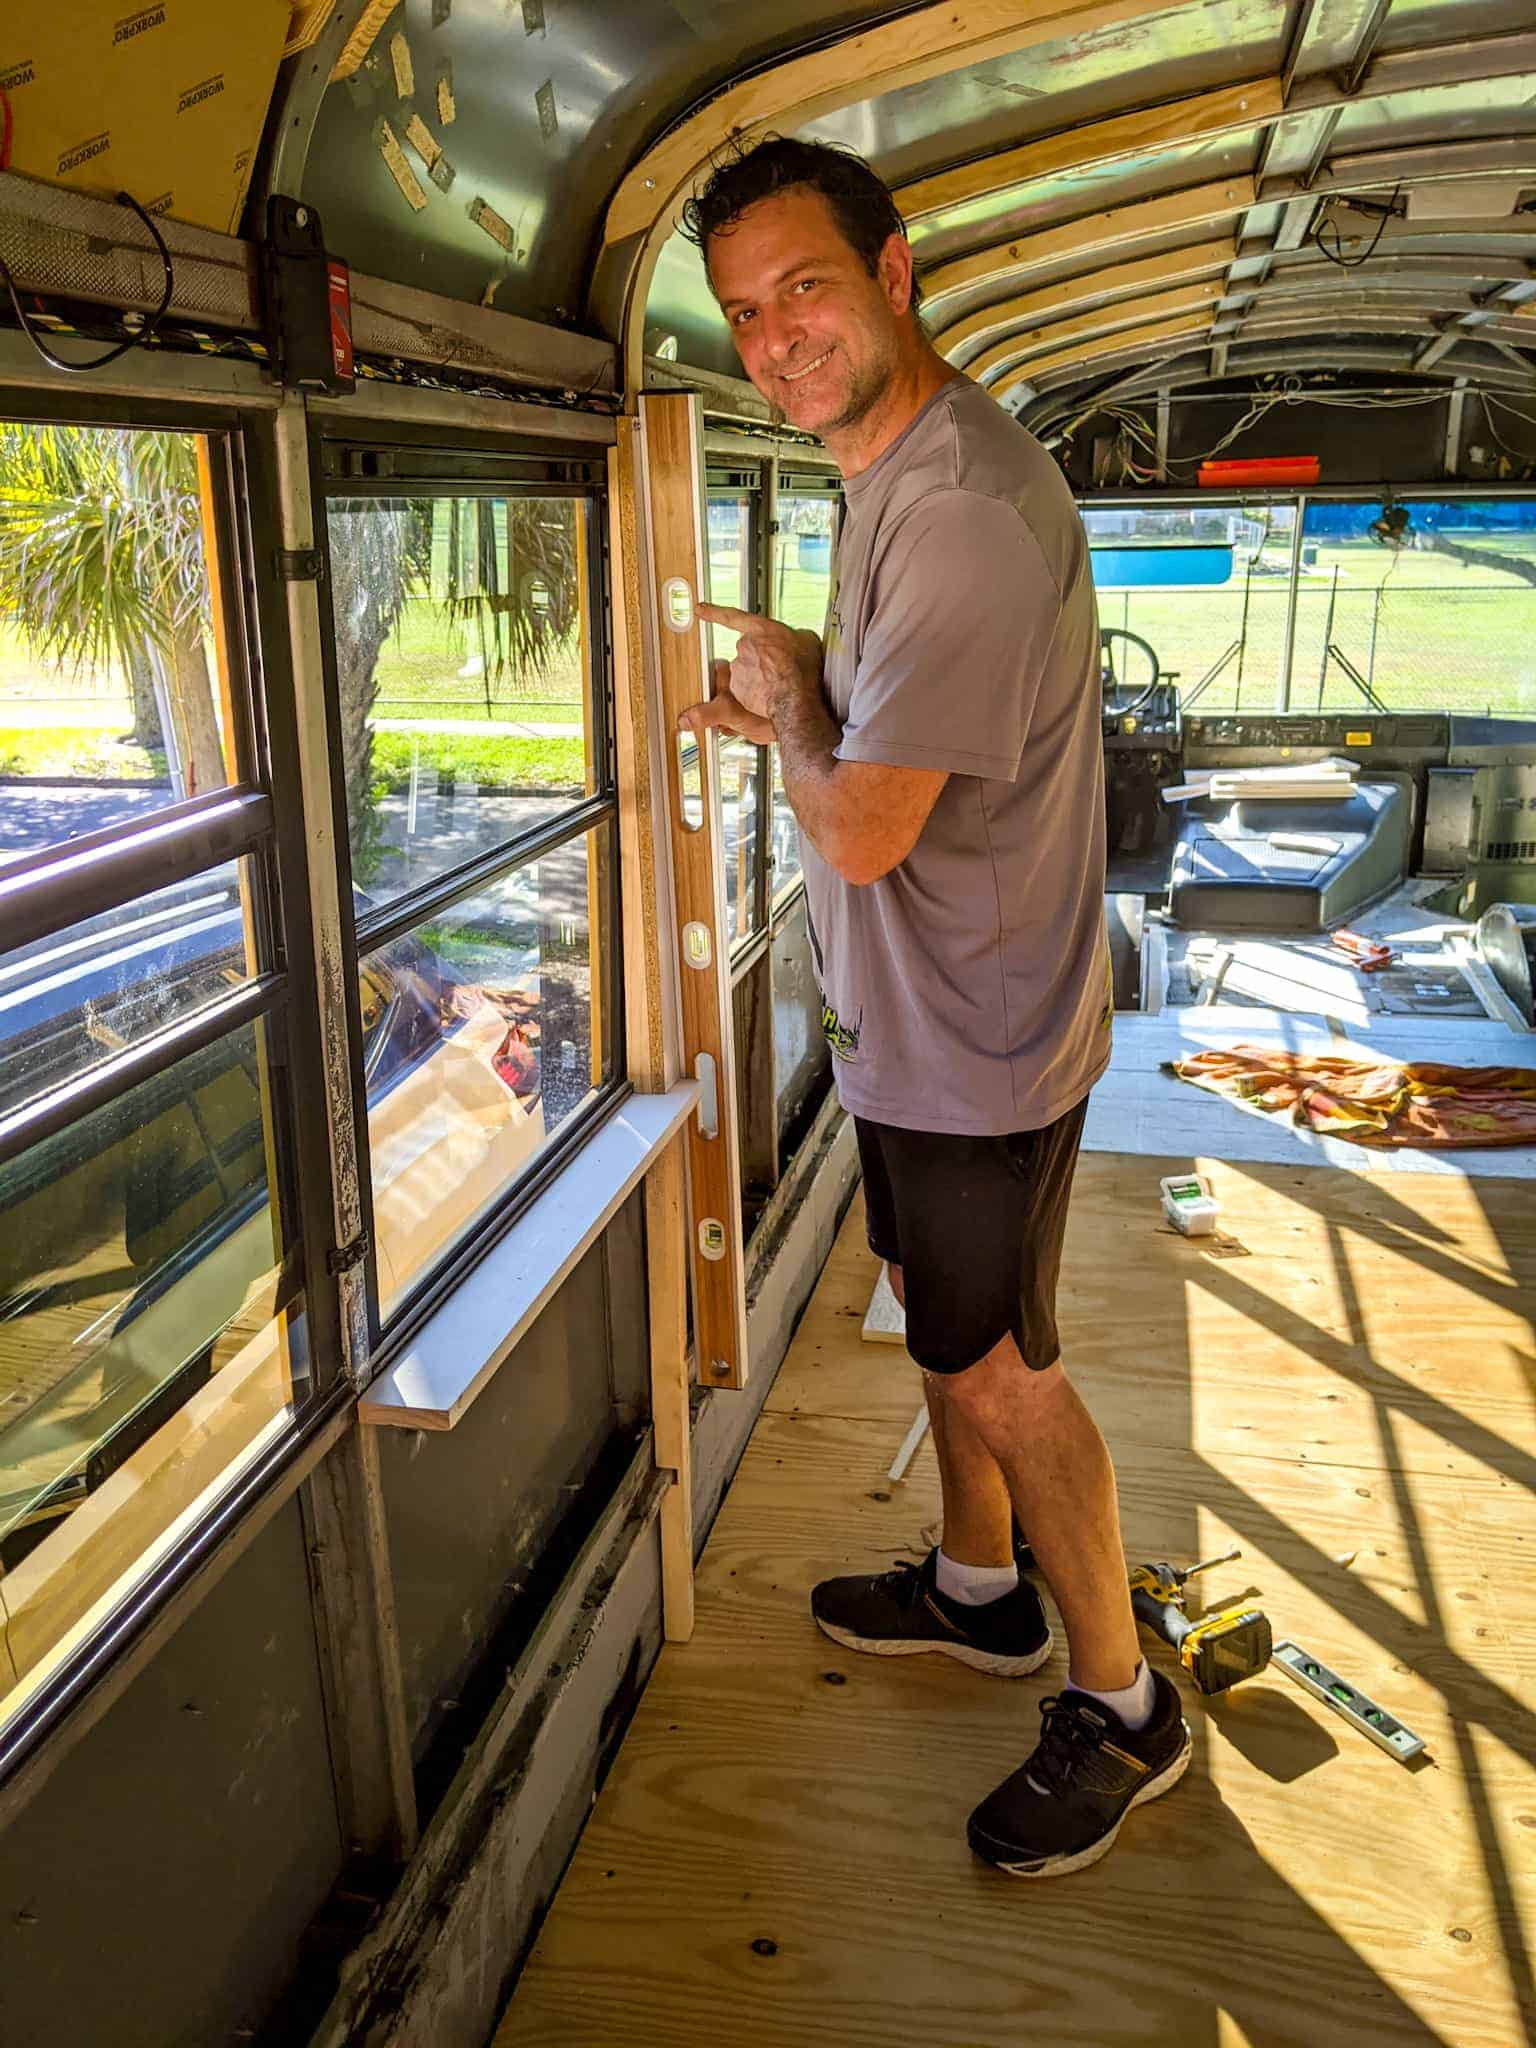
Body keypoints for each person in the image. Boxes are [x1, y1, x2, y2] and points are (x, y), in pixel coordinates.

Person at [678, 136, 1189, 1879]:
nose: (774, 341)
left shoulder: (956, 504)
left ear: (896, 273)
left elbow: (874, 823)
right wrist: (798, 706)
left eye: (804, 290)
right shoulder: (888, 471)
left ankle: (1126, 1708)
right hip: (931, 1031)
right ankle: (982, 1596)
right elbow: (887, 743)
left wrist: (799, 726)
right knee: (935, 1314)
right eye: (745, 314)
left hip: (972, 1038)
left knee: (1001, 1371)